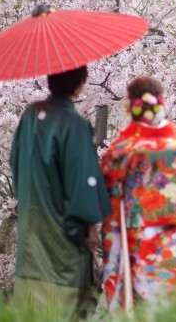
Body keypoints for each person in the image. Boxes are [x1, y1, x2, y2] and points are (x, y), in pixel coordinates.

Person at [10, 65, 112, 318]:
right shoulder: (74, 124)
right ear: (80, 83)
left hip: (32, 233)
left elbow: (16, 166)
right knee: (67, 309)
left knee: (32, 310)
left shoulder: (30, 116)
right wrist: (90, 226)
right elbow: (83, 180)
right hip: (64, 238)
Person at [100, 76, 176, 311]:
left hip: (135, 237)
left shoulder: (122, 150)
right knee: (173, 306)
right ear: (161, 104)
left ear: (130, 107)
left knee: (139, 308)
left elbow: (109, 196)